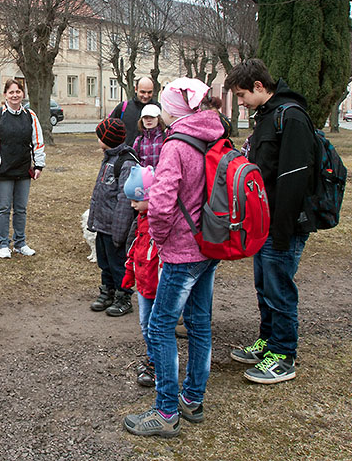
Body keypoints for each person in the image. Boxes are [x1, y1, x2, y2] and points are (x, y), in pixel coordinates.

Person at [123, 78, 222, 438]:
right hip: (209, 243)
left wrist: (160, 242)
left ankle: (166, 411)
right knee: (198, 323)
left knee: (160, 326)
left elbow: (162, 204)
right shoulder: (212, 133)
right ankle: (192, 398)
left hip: (182, 250)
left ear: (175, 109)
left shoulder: (176, 144)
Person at [224, 58, 316, 384]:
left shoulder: (290, 117)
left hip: (283, 224)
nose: (240, 102)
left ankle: (283, 355)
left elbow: (295, 178)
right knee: (264, 286)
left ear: (259, 87)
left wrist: (282, 229)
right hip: (264, 221)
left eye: (241, 95)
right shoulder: (266, 116)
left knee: (279, 290)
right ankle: (268, 341)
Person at [0, 79, 46, 259]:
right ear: (5, 95)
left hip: (23, 169)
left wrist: (38, 164)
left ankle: (20, 243)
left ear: (22, 94)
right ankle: (3, 243)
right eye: (11, 92)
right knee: (3, 208)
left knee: (21, 209)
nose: (15, 95)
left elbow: (37, 142)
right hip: (3, 171)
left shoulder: (30, 115)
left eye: (18, 92)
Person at [87, 117, 137, 317]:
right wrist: (93, 222)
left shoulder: (125, 162)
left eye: (100, 136)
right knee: (104, 262)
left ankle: (123, 296)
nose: (98, 139)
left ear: (107, 138)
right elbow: (100, 192)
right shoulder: (108, 157)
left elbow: (125, 200)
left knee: (118, 265)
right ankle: (107, 291)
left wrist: (120, 232)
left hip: (116, 227)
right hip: (103, 225)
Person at [121, 165, 160, 387]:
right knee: (145, 324)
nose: (132, 205)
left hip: (157, 284)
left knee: (156, 326)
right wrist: (130, 273)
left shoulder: (159, 222)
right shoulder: (142, 220)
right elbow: (136, 248)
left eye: (136, 200)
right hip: (144, 284)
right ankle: (152, 357)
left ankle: (158, 364)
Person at [108, 77, 160, 146]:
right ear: (136, 89)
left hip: (149, 155)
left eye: (149, 92)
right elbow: (108, 129)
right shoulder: (123, 107)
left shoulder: (158, 109)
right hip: (125, 154)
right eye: (143, 92)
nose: (146, 96)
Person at [131, 104, 166, 168]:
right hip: (143, 177)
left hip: (162, 176)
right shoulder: (138, 141)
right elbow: (133, 162)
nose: (148, 120)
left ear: (158, 119)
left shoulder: (165, 138)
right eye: (145, 117)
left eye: (152, 117)